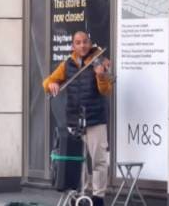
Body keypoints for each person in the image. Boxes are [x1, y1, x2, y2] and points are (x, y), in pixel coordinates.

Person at [42, 31, 112, 206]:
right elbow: (47, 82)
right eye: (78, 43)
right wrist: (52, 84)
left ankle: (98, 197)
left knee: (98, 160)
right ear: (73, 46)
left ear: (90, 43)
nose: (82, 46)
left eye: (85, 42)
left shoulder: (100, 60)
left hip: (95, 118)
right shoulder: (68, 64)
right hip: (75, 119)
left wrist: (101, 75)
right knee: (78, 160)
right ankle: (80, 194)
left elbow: (106, 91)